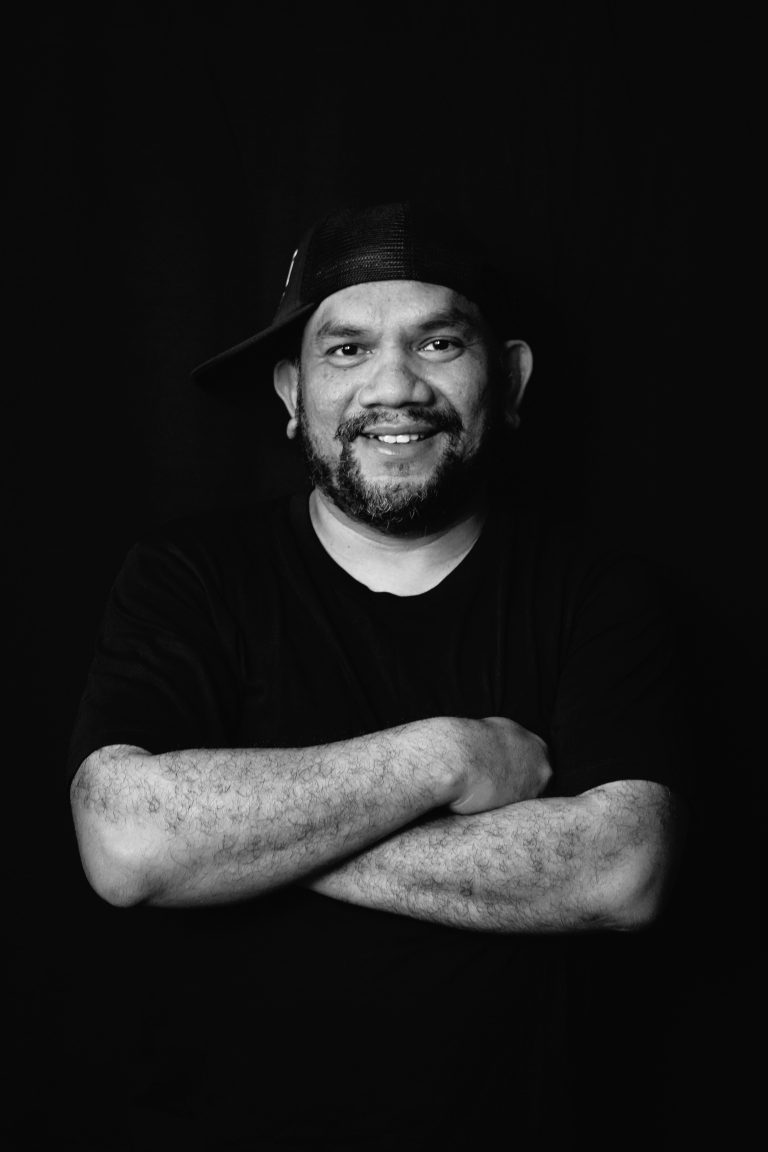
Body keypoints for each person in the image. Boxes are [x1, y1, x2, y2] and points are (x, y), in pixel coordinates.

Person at [68, 201, 689, 1149]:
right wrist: (446, 757)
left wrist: (241, 843)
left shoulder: (600, 592)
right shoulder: (189, 575)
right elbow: (127, 841)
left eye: (438, 342)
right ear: (292, 391)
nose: (394, 386)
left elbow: (623, 871)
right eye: (348, 350)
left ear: (508, 378)